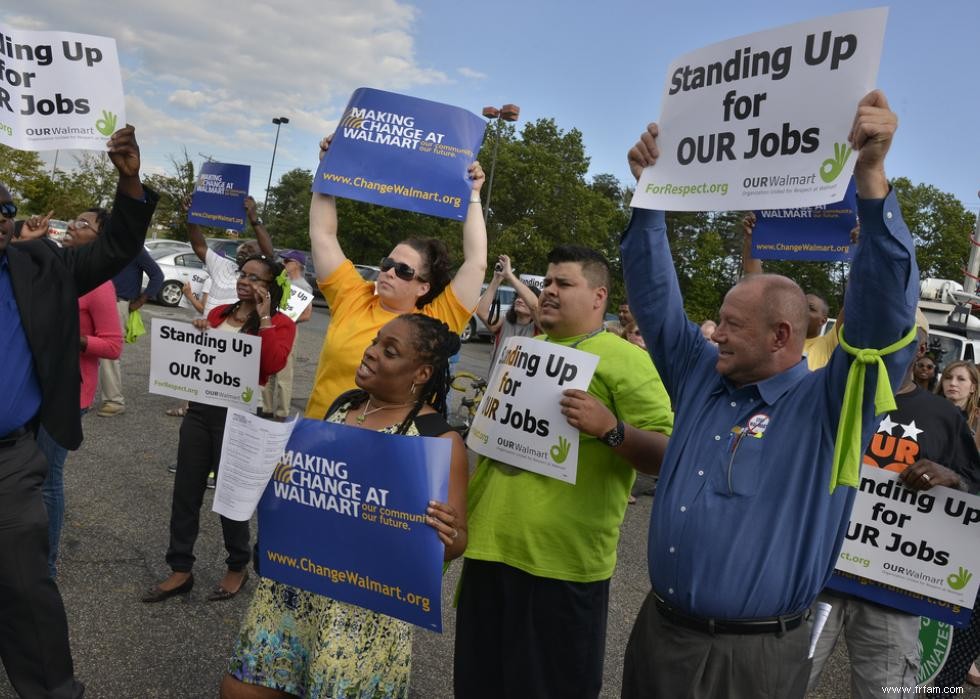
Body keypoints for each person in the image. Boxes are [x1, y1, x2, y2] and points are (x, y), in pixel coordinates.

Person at [619, 90, 918, 698]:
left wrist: (870, 175)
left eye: (730, 324)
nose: (714, 333)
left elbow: (882, 322)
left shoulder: (831, 405)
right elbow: (657, 305)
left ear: (782, 335)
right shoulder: (703, 376)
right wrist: (648, 199)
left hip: (752, 660)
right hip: (660, 636)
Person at [454, 245, 674, 698]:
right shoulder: (523, 348)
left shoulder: (626, 359)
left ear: (599, 296)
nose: (548, 291)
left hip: (561, 566)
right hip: (490, 551)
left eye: (563, 283)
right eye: (547, 283)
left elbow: (668, 455)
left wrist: (611, 429)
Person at [221, 314, 468, 699]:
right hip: (297, 585)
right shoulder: (345, 406)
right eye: (375, 341)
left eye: (389, 351)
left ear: (420, 373)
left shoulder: (438, 440)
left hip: (361, 607)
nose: (371, 352)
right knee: (241, 689)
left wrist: (444, 534)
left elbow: (456, 542)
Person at [0, 125, 156, 699]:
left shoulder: (39, 265)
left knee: (26, 587)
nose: (3, 217)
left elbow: (116, 250)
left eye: (6, 209)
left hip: (10, 461)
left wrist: (130, 183)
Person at [808, 315, 980, 697]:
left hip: (894, 595)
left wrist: (954, 479)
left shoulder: (945, 418)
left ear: (920, 349)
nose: (881, 346)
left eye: (896, 339)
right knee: (781, 682)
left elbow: (974, 490)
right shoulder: (831, 394)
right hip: (818, 580)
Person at [142, 255, 296, 604]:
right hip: (200, 410)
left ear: (271, 287)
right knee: (186, 491)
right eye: (244, 274)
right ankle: (180, 568)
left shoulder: (281, 324)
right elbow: (201, 355)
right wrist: (199, 331)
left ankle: (237, 566)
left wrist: (267, 315)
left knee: (231, 495)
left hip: (240, 415)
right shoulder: (219, 314)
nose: (246, 280)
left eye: (257, 278)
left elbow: (272, 363)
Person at [304, 134, 487, 418]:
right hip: (320, 438)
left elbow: (476, 263)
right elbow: (323, 234)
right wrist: (329, 168)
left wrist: (473, 195)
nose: (389, 272)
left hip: (388, 447)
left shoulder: (434, 323)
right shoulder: (353, 297)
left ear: (423, 286)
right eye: (388, 263)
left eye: (403, 270)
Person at [20, 207, 124, 577]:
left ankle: (46, 563)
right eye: (75, 220)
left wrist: (72, 339)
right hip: (36, 387)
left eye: (85, 224)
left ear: (99, 240)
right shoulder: (56, 267)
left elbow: (113, 346)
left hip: (70, 394)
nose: (74, 226)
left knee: (47, 479)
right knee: (22, 474)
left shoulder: (99, 284)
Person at [741, 212, 842, 370]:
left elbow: (855, 299)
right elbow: (755, 283)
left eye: (811, 308)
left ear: (824, 320)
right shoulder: (775, 338)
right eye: (800, 303)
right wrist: (751, 240)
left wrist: (864, 246)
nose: (802, 309)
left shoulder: (828, 344)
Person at [95, 215, 163, 417]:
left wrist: (141, 301)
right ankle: (82, 397)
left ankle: (114, 401)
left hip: (117, 304)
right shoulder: (100, 246)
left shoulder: (133, 248)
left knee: (108, 354)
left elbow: (157, 275)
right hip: (93, 300)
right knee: (85, 350)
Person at [261, 249, 314, 420]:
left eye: (286, 261)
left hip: (288, 330)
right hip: (270, 326)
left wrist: (288, 318)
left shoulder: (303, 286)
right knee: (267, 369)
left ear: (297, 264)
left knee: (284, 372)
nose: (283, 264)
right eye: (282, 261)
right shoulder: (279, 280)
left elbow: (307, 315)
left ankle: (282, 412)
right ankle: (265, 407)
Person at [476, 253, 540, 372]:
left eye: (524, 298)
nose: (520, 300)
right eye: (517, 296)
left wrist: (510, 276)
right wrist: (496, 279)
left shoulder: (539, 330)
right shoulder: (504, 324)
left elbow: (535, 306)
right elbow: (482, 312)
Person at [937, 360, 980, 447]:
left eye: (961, 379)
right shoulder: (927, 411)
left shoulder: (977, 418)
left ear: (973, 388)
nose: (953, 383)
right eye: (948, 378)